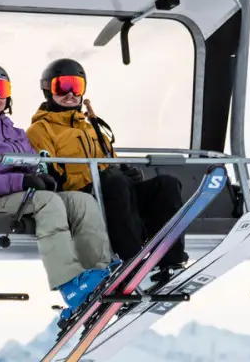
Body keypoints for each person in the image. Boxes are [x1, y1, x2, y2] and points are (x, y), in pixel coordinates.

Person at [0, 63, 114, 315]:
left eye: (0, 89)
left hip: (21, 197)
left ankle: (99, 272)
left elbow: (32, 163)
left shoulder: (15, 133)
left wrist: (40, 175)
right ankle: (70, 283)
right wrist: (21, 182)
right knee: (47, 202)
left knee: (81, 201)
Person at [25, 57, 188, 283]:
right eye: (62, 87)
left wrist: (126, 173)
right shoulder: (39, 130)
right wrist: (106, 177)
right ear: (47, 91)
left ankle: (171, 261)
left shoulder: (92, 128)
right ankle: (132, 260)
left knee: (166, 185)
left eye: (76, 86)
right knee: (115, 183)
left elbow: (111, 163)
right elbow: (50, 173)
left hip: (113, 192)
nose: (70, 94)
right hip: (82, 196)